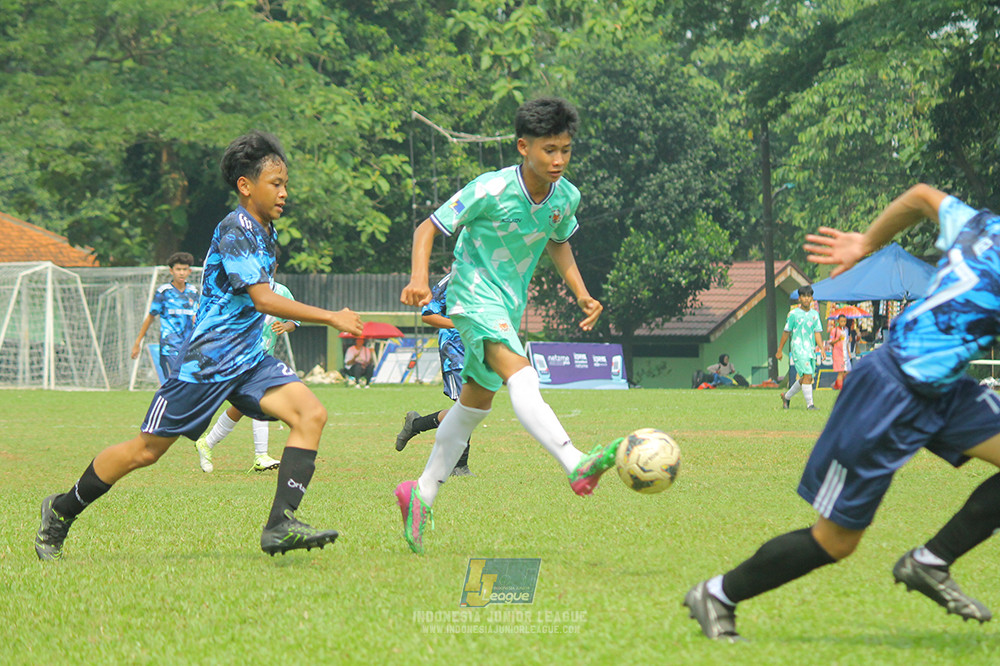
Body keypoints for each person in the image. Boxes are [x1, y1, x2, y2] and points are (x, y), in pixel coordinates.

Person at [685, 183, 1000, 642]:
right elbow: (921, 196)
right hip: (888, 390)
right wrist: (866, 244)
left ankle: (930, 562)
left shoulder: (983, 227)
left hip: (945, 391)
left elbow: (922, 197)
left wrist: (867, 242)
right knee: (835, 542)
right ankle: (717, 594)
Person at [34, 131, 363, 561]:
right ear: (246, 185)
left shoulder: (267, 231)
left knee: (310, 414)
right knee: (145, 451)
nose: (284, 192)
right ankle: (61, 510)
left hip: (248, 361)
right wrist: (331, 316)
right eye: (275, 183)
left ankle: (280, 525)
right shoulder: (236, 227)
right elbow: (263, 299)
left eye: (285, 184)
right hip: (206, 364)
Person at [395, 96, 611, 555]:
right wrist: (419, 279)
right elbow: (427, 228)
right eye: (549, 150)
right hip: (472, 297)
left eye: (565, 150)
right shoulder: (490, 189)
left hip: (508, 306)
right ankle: (574, 462)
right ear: (523, 147)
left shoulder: (566, 197)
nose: (558, 160)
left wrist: (581, 292)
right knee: (522, 374)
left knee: (473, 407)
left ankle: (421, 493)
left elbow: (558, 241)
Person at [193, 279, 299, 473]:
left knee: (243, 407)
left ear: (274, 266)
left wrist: (286, 326)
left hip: (263, 357)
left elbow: (295, 320)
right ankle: (261, 455)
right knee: (261, 399)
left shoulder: (282, 291)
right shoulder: (241, 290)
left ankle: (207, 443)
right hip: (239, 357)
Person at [394, 272, 472, 476]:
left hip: (477, 351)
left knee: (470, 408)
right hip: (455, 351)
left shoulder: (493, 277)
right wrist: (459, 325)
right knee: (466, 406)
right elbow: (428, 314)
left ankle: (416, 424)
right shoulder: (453, 279)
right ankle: (459, 466)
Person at [130, 251, 199, 381]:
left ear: (189, 271)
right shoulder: (163, 292)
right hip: (170, 346)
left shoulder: (193, 292)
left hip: (188, 345)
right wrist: (137, 342)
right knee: (175, 381)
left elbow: (196, 317)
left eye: (184, 269)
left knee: (187, 383)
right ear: (171, 271)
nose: (181, 273)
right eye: (178, 269)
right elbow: (150, 317)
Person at [776, 285, 825, 410]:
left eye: (809, 296)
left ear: (812, 298)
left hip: (810, 349)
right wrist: (780, 350)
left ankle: (786, 397)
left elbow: (817, 332)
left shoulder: (815, 314)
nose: (806, 299)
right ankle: (810, 405)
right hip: (798, 348)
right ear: (799, 298)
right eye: (804, 296)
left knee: (806, 378)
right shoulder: (793, 314)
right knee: (807, 375)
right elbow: (786, 332)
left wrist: (822, 348)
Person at [829, 314, 850, 389]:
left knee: (847, 371)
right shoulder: (834, 330)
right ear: (838, 321)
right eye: (841, 321)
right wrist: (838, 339)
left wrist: (849, 353)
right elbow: (831, 342)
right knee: (841, 371)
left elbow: (846, 342)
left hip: (845, 354)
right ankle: (840, 387)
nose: (843, 323)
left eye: (844, 321)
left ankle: (836, 385)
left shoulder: (846, 330)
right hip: (838, 353)